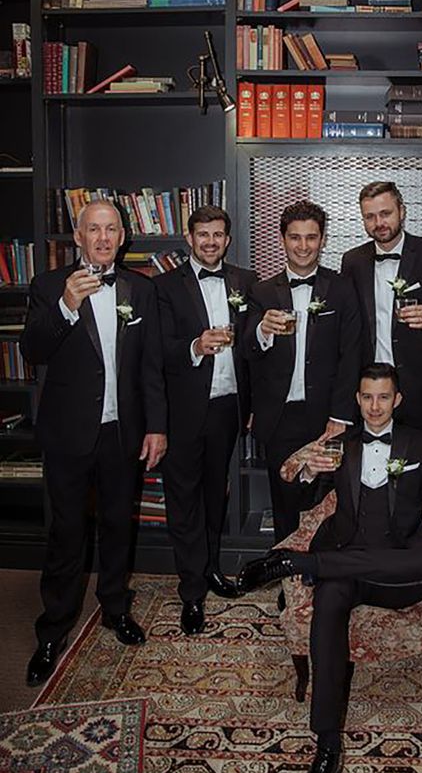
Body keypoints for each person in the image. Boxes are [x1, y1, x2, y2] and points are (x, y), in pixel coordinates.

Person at [235, 362, 422, 773]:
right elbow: (306, 501)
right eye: (367, 398)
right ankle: (325, 752)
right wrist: (308, 470)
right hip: (345, 562)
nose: (375, 406)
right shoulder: (337, 446)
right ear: (357, 400)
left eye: (384, 397)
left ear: (397, 399)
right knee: (328, 601)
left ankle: (300, 564)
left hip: (403, 572)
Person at [20, 200, 167, 686]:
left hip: (120, 432)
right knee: (66, 534)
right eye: (92, 230)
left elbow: (150, 367)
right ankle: (53, 630)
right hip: (67, 435)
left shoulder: (140, 290)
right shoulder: (48, 287)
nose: (102, 238)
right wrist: (67, 306)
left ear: (122, 236)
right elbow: (33, 352)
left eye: (110, 229)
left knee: (118, 527)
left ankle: (115, 609)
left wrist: (156, 426)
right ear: (77, 238)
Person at [154, 206, 257, 635]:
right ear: (189, 238)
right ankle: (191, 591)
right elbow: (159, 349)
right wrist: (196, 345)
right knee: (184, 502)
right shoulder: (163, 286)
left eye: (218, 235)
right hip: (183, 412)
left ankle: (212, 568)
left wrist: (251, 404)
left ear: (228, 239)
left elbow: (253, 347)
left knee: (216, 494)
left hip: (227, 409)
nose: (211, 242)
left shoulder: (245, 282)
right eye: (203, 235)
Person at [245, 199, 361, 542]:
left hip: (327, 415)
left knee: (328, 501)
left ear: (323, 240)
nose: (303, 246)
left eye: (311, 237)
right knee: (284, 500)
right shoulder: (261, 291)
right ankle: (289, 575)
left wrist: (341, 414)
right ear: (282, 240)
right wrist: (262, 330)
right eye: (295, 237)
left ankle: (323, 576)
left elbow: (351, 354)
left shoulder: (341, 289)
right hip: (279, 417)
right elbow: (248, 352)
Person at [341, 180, 422, 436]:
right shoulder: (352, 261)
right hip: (371, 395)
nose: (379, 223)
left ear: (402, 211)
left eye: (386, 213)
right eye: (370, 217)